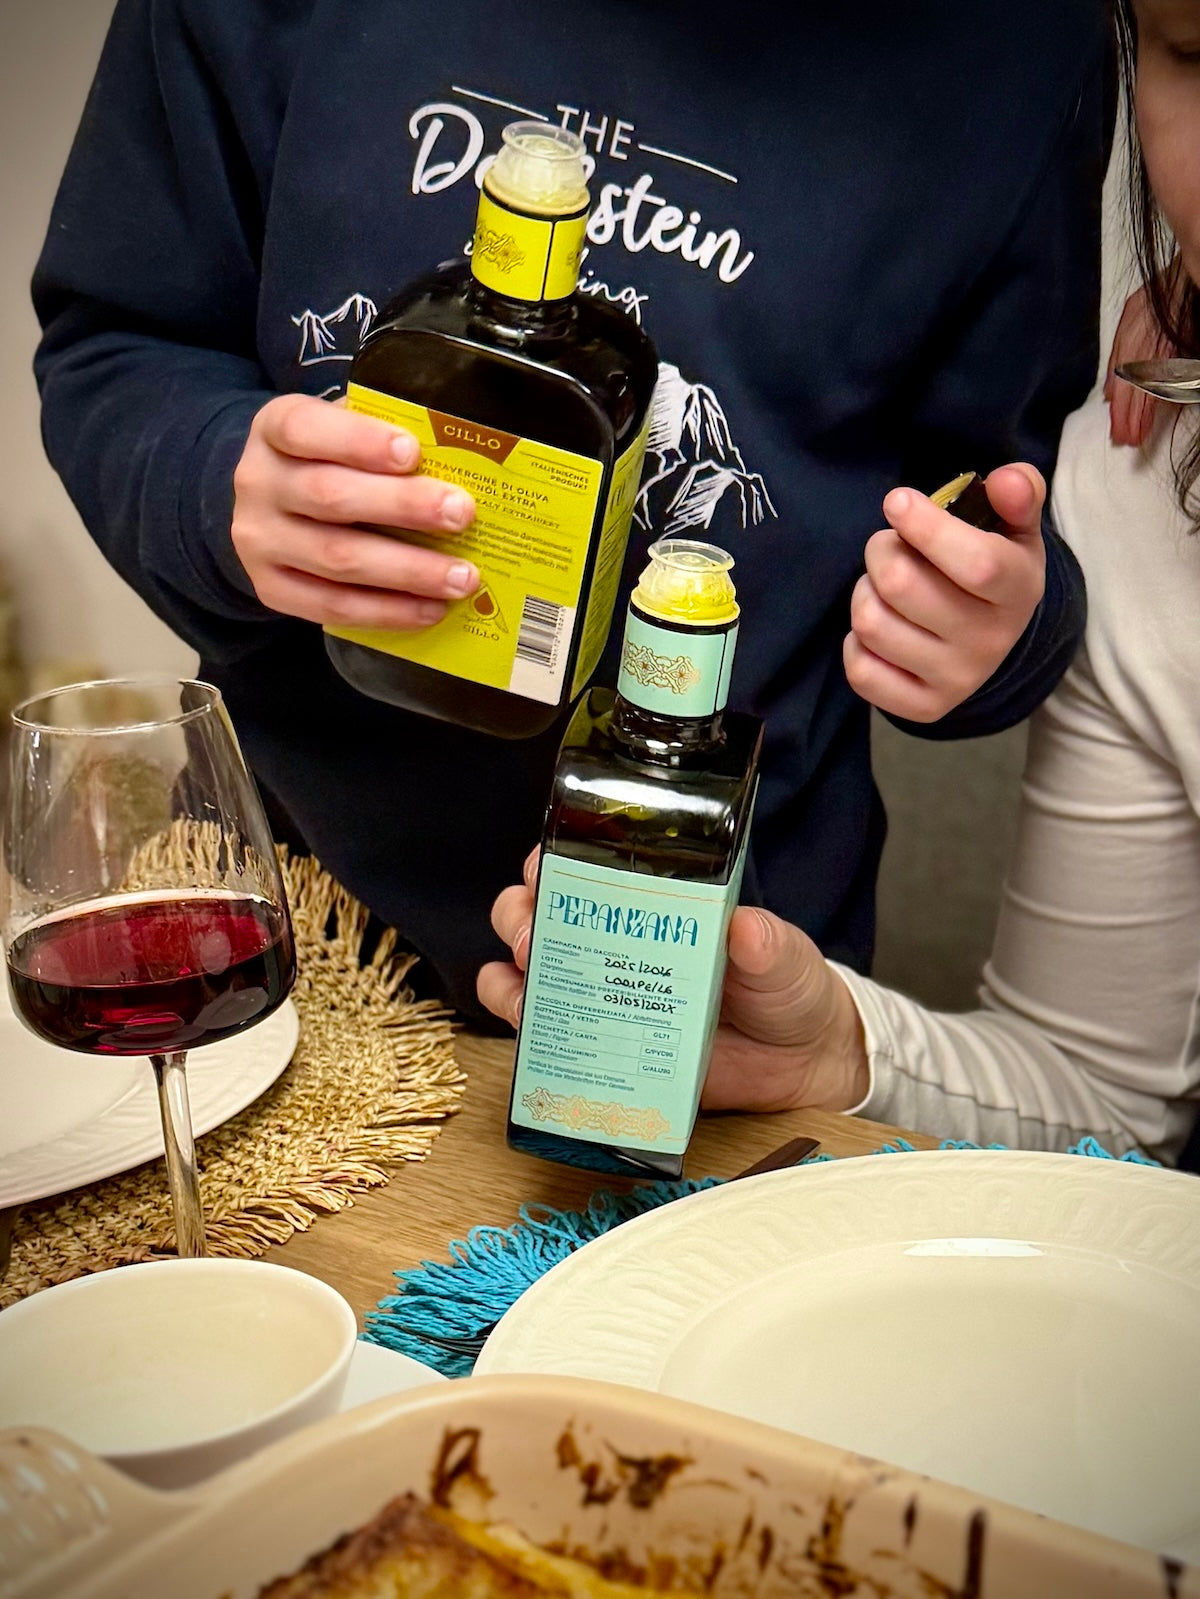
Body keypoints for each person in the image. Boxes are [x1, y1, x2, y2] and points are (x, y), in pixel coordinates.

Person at [32, 1, 1111, 1019]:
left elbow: (1009, 515)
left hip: (715, 985)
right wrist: (222, 485)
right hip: (286, 931)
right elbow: (116, 348)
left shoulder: (1027, 48)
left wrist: (992, 634)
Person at [482, 0, 1200, 1166]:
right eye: (1198, 57)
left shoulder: (1004, 72)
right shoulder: (1145, 456)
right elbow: (1110, 1109)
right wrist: (836, 1052)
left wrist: (1002, 643)